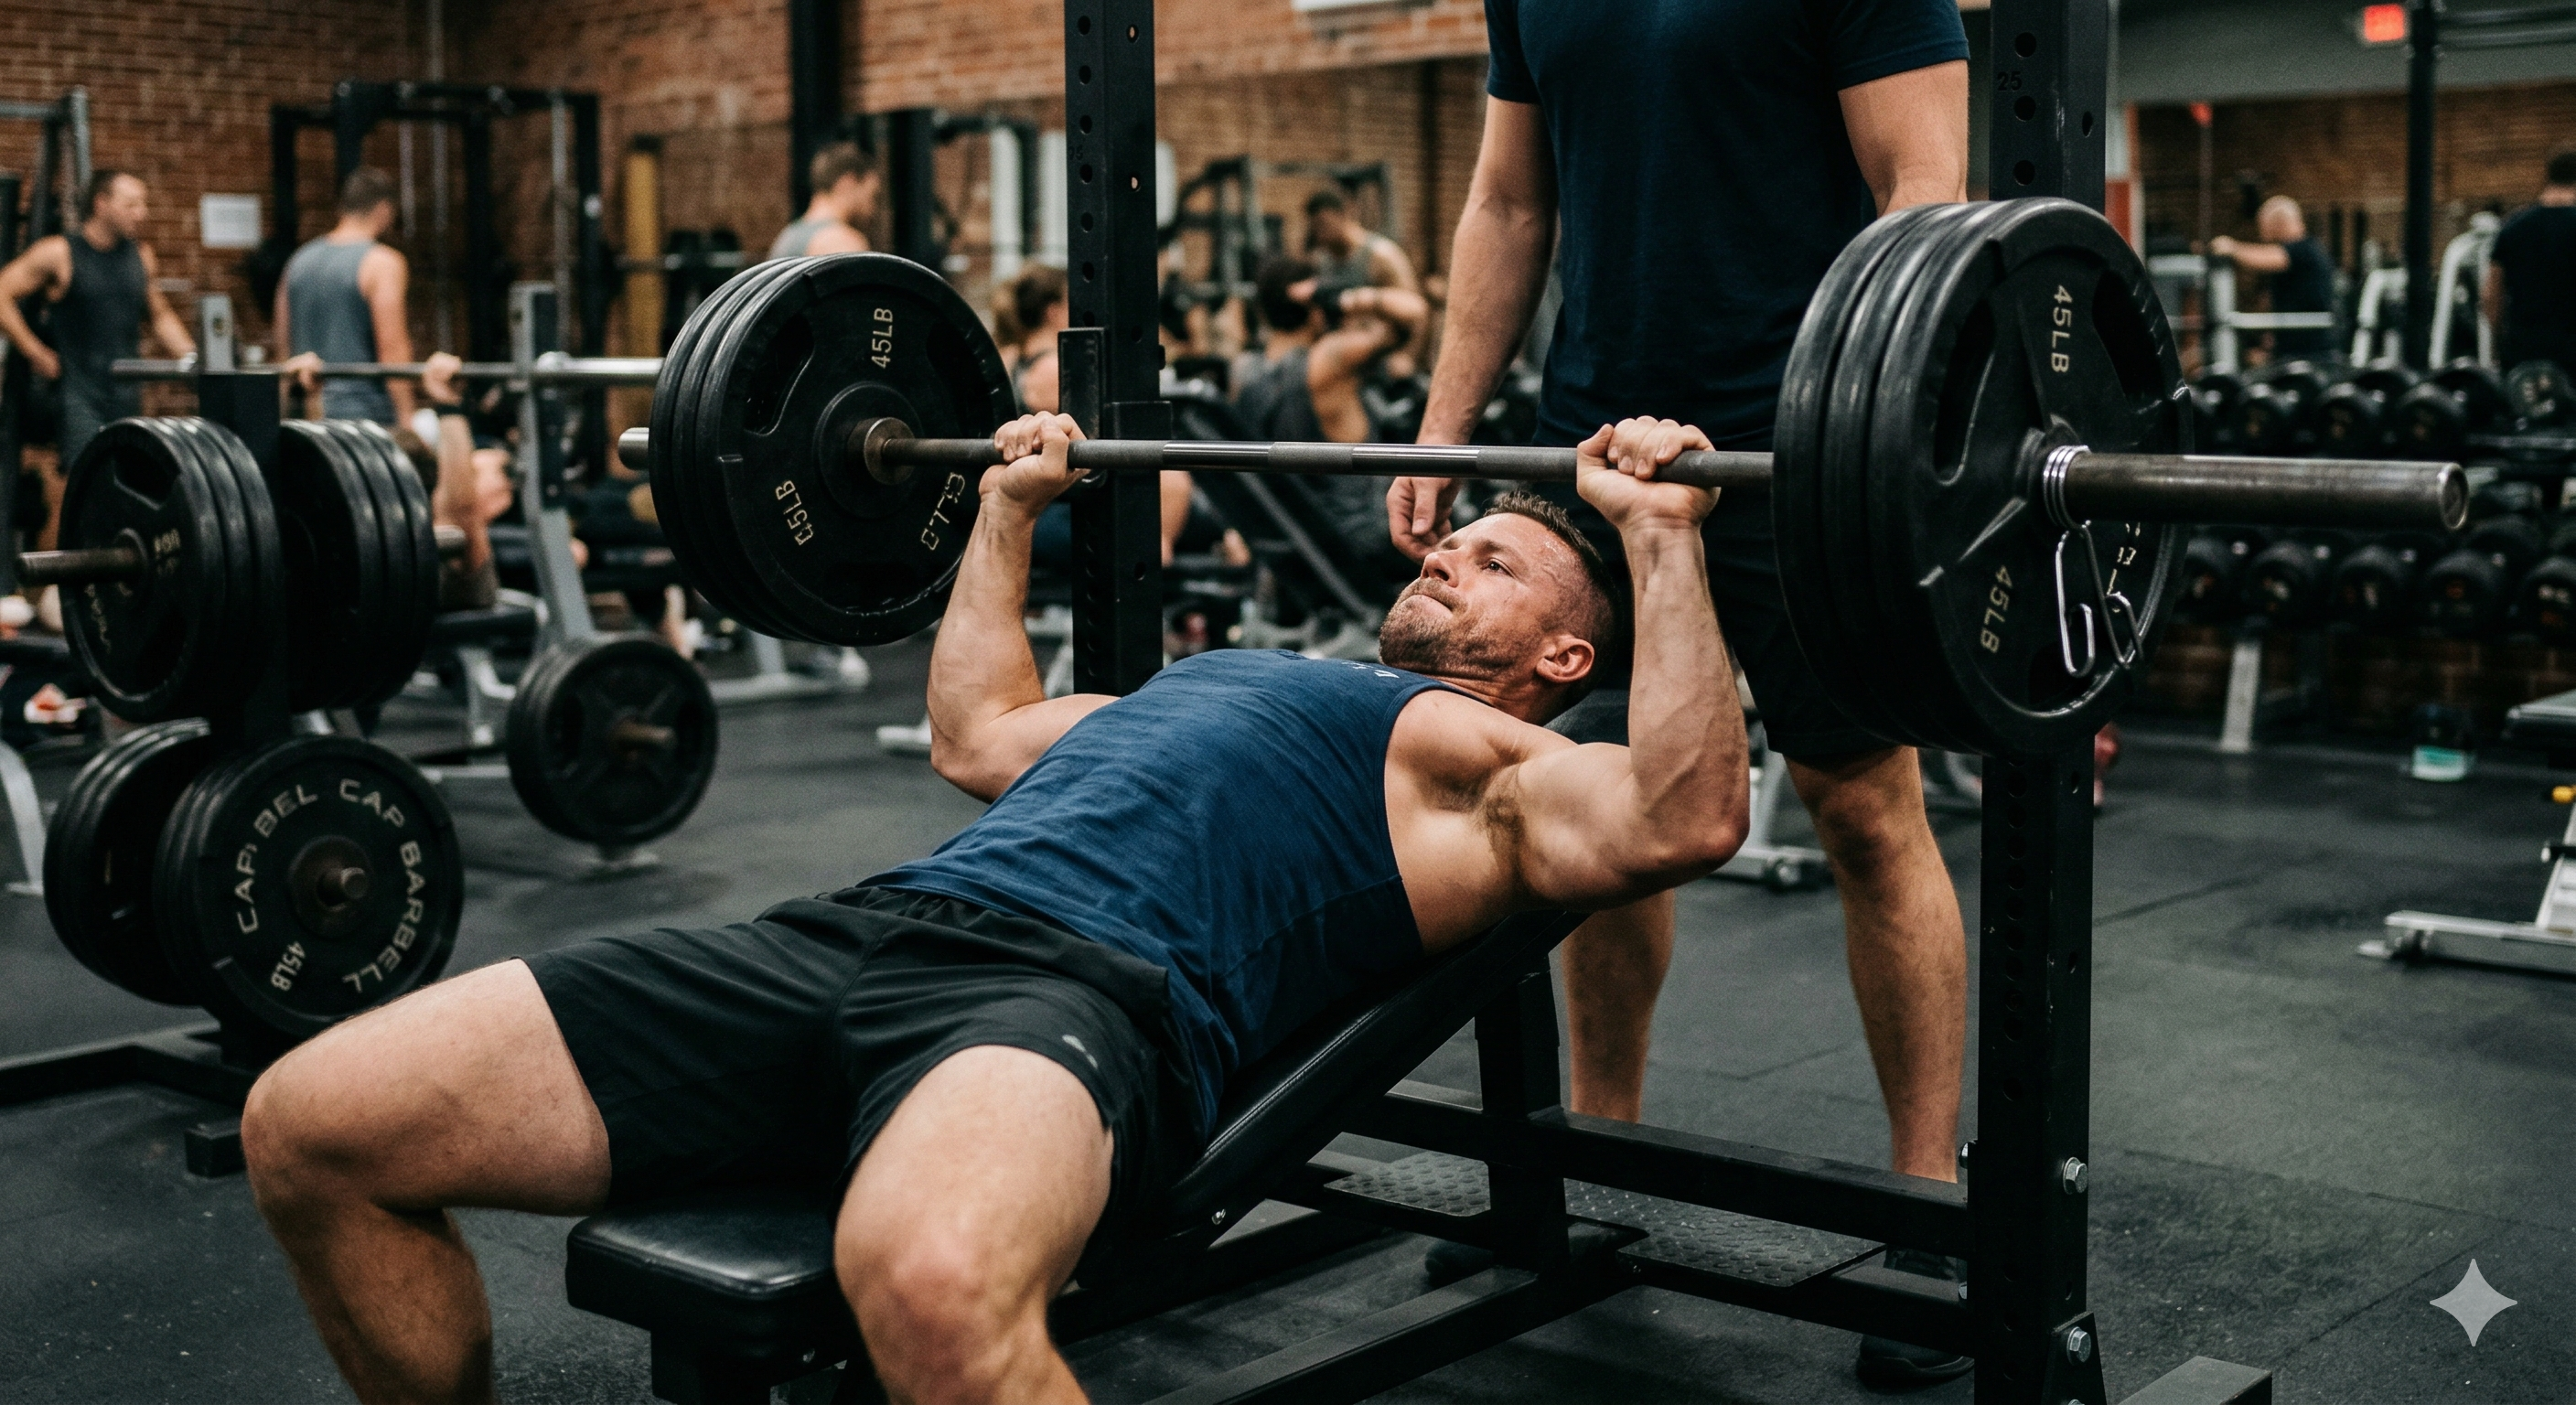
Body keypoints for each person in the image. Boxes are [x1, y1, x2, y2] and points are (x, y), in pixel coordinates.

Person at [239, 412, 1745, 1405]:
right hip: (850, 936)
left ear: (1559, 657)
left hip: (1070, 1002)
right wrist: (1008, 502)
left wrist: (1662, 533)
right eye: (1446, 541)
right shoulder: (1211, 684)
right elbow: (976, 730)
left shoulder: (1485, 762)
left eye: (1491, 565)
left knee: (939, 1290)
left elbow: (1683, 812)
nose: (1442, 557)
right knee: (314, 1122)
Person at [1382, 0, 1973, 1387]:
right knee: (1580, 810)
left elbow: (1925, 193)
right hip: (1591, 448)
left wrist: (1871, 422)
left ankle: (1925, 1214)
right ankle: (1597, 1154)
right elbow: (1509, 199)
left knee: (1866, 808)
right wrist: (1445, 423)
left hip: (1799, 442)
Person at [1237, 254, 1428, 582]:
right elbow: (1413, 312)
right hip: (1364, 544)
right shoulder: (1328, 360)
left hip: (1304, 548)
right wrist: (1346, 297)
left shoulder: (1247, 375)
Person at [1001, 261, 1193, 565]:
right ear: (1053, 312)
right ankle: (1156, 550)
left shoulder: (1011, 358)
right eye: (1071, 302)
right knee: (1177, 485)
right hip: (1054, 511)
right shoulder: (1054, 369)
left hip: (1051, 501)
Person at [0, 170, 196, 468]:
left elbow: (160, 316)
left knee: (128, 482)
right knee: (85, 482)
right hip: (77, 393)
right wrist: (34, 351)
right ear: (101, 203)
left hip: (126, 392)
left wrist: (194, 360)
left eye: (143, 205)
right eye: (131, 205)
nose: (141, 213)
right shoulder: (59, 253)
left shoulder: (141, 256)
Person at [277, 167, 416, 426]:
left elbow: (284, 345)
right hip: (365, 419)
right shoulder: (382, 262)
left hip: (307, 416)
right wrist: (407, 419)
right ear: (384, 210)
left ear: (343, 209)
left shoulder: (297, 261)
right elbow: (392, 349)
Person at [2209, 196, 2338, 363]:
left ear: (2277, 224)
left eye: (2263, 226)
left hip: (2310, 354)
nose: (2262, 233)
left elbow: (2272, 257)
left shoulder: (2305, 250)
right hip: (2293, 350)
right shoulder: (2301, 253)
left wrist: (2232, 248)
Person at [2485, 152, 2576, 375]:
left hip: (2523, 355)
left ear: (2548, 177)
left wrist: (2500, 342)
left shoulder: (2512, 228)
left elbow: (2490, 298)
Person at [769, 142, 881, 260]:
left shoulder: (787, 236)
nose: (873, 208)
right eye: (872, 196)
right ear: (848, 183)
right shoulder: (842, 242)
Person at [1304, 188, 1420, 296]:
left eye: (1323, 225)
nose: (1320, 236)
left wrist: (1368, 300)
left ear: (1343, 215)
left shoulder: (1382, 255)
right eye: (1315, 228)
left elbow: (1416, 310)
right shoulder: (1323, 258)